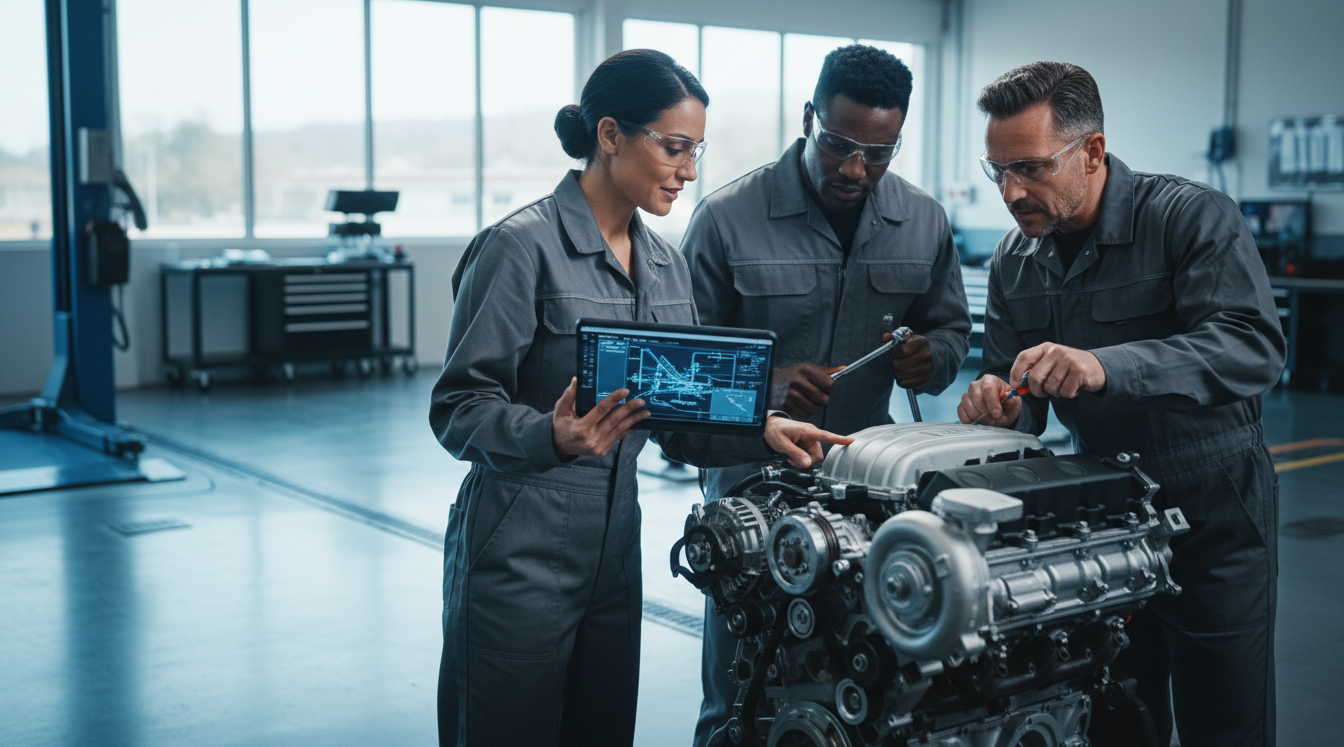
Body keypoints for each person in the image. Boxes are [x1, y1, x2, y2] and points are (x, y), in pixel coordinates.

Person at [428, 49, 852, 747]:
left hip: (615, 558)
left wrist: (763, 427)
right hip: (518, 553)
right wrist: (550, 435)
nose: (689, 171)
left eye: (696, 151)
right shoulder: (520, 248)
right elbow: (458, 406)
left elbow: (677, 423)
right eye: (674, 147)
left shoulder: (664, 265)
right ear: (610, 135)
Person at [957, 61, 1284, 747]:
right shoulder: (1014, 260)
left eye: (1031, 168)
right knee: (1114, 718)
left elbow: (1251, 345)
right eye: (998, 171)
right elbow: (1019, 399)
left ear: (1093, 151)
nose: (1012, 192)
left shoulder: (1188, 217)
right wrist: (1000, 404)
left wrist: (1107, 366)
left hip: (1213, 508)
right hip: (1101, 515)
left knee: (1225, 720)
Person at [681, 44, 971, 747]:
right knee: (742, 684)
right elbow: (682, 367)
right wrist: (771, 384)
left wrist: (931, 358)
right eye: (839, 144)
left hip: (868, 480)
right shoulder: (727, 218)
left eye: (878, 154)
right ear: (809, 117)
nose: (855, 169)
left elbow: (951, 332)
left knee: (858, 677)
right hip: (752, 481)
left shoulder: (923, 221)